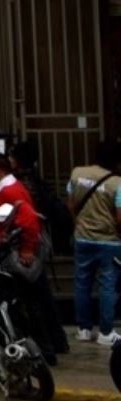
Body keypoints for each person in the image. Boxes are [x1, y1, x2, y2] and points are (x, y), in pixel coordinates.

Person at [0, 150, 59, 363]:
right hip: (7, 257)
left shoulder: (11, 191)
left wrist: (27, 249)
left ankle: (42, 351)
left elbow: (29, 221)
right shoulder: (6, 189)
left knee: (26, 305)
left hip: (16, 259)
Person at [67, 141, 121, 346]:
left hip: (82, 238)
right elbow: (120, 217)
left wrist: (79, 223)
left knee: (82, 284)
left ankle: (83, 329)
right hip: (110, 241)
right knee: (108, 286)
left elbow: (70, 204)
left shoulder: (77, 173)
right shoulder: (117, 182)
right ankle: (106, 333)